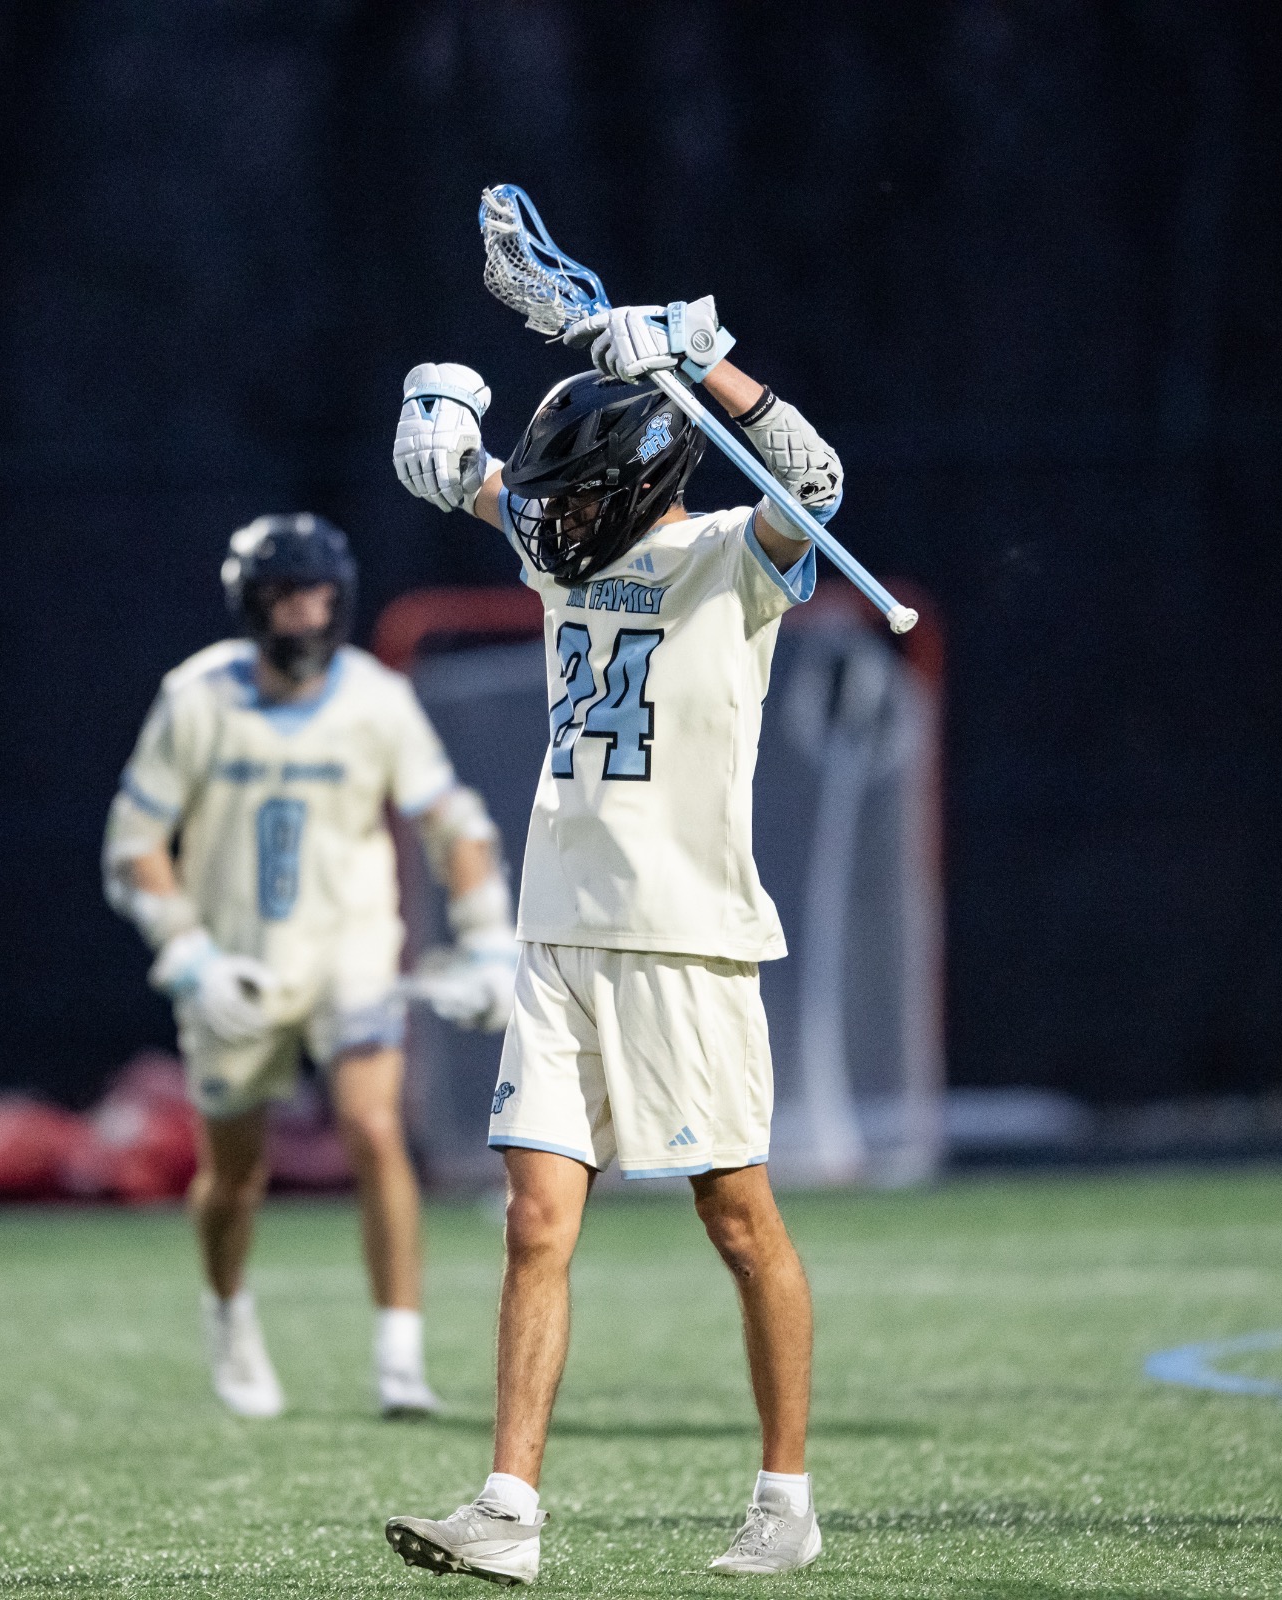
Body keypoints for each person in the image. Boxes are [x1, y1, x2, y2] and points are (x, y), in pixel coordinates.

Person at [382, 295, 842, 1583]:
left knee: (739, 1220)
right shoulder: (565, 540)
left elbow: (815, 477)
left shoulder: (725, 560)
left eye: (575, 497)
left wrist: (709, 360)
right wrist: (444, 443)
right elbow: (502, 492)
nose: (549, 524)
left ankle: (784, 1497)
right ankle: (508, 1509)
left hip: (682, 939)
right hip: (558, 935)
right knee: (535, 1220)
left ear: (637, 483)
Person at [101, 513, 518, 1419]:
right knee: (235, 1173)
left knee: (374, 1130)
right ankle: (227, 1312)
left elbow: (457, 825)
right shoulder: (198, 697)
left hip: (352, 950)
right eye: (288, 598)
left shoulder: (373, 697)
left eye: (320, 597)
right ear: (253, 605)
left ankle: (399, 1356)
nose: (306, 615)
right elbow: (135, 845)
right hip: (236, 960)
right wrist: (186, 955)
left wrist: (489, 935)